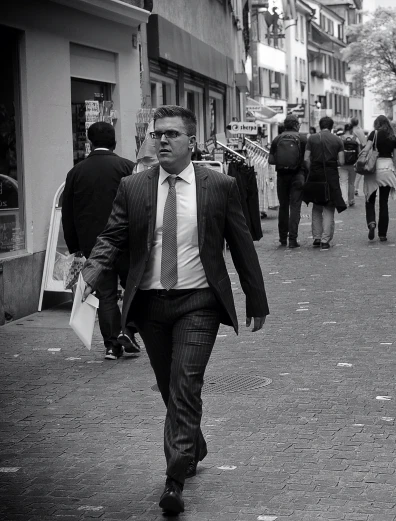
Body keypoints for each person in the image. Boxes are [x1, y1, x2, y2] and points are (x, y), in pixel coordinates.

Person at [79, 105, 269, 514]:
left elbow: (240, 243)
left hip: (198, 301)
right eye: (157, 134)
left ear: (192, 142)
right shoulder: (134, 186)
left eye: (172, 134)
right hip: (149, 304)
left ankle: (173, 480)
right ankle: (193, 444)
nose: (162, 141)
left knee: (185, 385)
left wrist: (256, 298)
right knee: (170, 388)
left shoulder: (218, 185)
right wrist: (91, 273)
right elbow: (113, 235)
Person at [61, 121, 140, 360]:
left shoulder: (76, 172)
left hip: (94, 246)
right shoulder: (127, 167)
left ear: (89, 142)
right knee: (135, 289)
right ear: (114, 142)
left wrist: (75, 247)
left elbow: (68, 213)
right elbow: (140, 205)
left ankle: (111, 346)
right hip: (127, 242)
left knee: (105, 295)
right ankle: (128, 330)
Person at [303, 116, 346, 250]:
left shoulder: (312, 138)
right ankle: (325, 240)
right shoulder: (338, 140)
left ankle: (316, 237)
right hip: (331, 175)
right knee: (329, 206)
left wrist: (312, 169)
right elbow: (342, 161)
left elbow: (306, 158)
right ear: (331, 126)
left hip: (316, 174)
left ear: (320, 126)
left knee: (316, 205)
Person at [269, 115, 307, 248]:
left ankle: (282, 238)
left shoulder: (277, 139)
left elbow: (271, 160)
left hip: (282, 176)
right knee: (295, 207)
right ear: (297, 125)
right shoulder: (302, 138)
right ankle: (292, 239)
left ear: (285, 125)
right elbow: (307, 159)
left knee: (283, 207)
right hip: (298, 175)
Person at [363, 115, 396, 242]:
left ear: (376, 123)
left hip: (374, 169)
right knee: (384, 202)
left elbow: (367, 149)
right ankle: (383, 234)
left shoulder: (374, 134)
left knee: (370, 199)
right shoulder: (392, 137)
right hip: (387, 169)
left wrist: (361, 159)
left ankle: (372, 223)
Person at [340, 123, 360, 207]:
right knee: (351, 182)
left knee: (343, 182)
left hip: (343, 164)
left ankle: (344, 200)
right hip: (353, 164)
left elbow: (338, 151)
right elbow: (359, 152)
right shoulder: (356, 139)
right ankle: (351, 200)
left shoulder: (340, 139)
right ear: (352, 129)